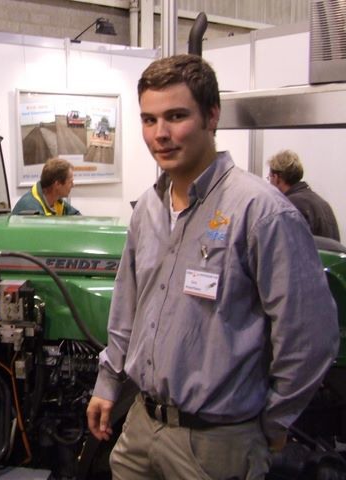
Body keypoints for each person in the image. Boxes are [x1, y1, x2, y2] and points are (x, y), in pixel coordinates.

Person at [86, 54, 339, 480]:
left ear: (212, 116)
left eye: (176, 116)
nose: (160, 134)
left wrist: (273, 421)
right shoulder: (148, 208)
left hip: (217, 444)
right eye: (149, 120)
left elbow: (310, 336)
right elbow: (128, 309)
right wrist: (108, 383)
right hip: (140, 429)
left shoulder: (261, 212)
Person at [268, 149, 340, 241]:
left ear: (276, 177)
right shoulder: (322, 203)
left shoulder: (290, 206)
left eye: (269, 177)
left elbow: (287, 245)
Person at [12, 157, 80, 215]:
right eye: (70, 182)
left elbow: (77, 216)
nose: (73, 185)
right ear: (57, 184)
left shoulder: (56, 201)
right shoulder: (31, 210)